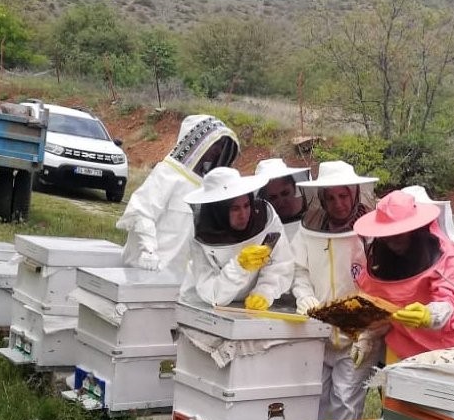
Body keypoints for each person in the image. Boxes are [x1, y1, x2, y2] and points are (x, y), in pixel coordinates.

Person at [291, 161, 379, 420]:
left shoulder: (371, 233)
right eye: (330, 197)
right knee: (314, 401)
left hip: (358, 336)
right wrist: (304, 295)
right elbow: (299, 270)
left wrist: (369, 330)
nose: (338, 203)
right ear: (321, 199)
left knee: (345, 402)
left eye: (343, 195)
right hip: (318, 333)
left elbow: (379, 284)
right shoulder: (309, 231)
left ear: (354, 193)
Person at [353, 191, 454, 365]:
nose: (393, 241)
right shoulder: (380, 257)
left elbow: (449, 298)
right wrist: (367, 336)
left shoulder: (445, 253)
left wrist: (430, 315)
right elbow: (377, 305)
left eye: (399, 234)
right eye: (387, 236)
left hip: (446, 349)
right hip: (402, 346)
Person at [117, 115, 241, 275]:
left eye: (221, 145)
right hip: (146, 272)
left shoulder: (209, 186)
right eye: (215, 144)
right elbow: (141, 211)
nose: (217, 150)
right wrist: (148, 250)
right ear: (196, 142)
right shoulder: (167, 173)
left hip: (181, 279)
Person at [178, 167, 294, 309]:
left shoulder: (265, 217)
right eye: (235, 209)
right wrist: (239, 267)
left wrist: (264, 293)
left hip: (247, 306)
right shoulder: (200, 233)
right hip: (203, 307)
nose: (243, 214)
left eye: (246, 205)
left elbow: (280, 262)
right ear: (218, 210)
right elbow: (212, 294)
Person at [252, 158, 311, 241]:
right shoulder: (262, 235)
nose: (281, 201)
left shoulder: (313, 224)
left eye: (285, 193)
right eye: (273, 197)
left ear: (294, 189)